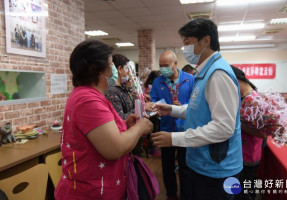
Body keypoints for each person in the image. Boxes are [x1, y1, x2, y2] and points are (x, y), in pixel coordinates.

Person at [151, 18, 243, 200]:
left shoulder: (218, 74)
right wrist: (172, 110)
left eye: (187, 43)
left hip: (217, 170)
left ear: (206, 41)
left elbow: (223, 127)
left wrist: (174, 138)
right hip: (202, 163)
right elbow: (199, 110)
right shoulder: (204, 73)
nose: (185, 49)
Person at [54, 40, 153, 200]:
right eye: (110, 64)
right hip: (88, 193)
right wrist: (140, 127)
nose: (114, 69)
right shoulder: (88, 100)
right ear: (98, 70)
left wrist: (125, 125)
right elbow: (114, 148)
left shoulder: (92, 96)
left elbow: (102, 132)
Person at [150, 50, 194, 200]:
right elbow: (155, 101)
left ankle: (186, 194)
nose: (163, 69)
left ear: (175, 64)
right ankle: (171, 194)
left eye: (166, 65)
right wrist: (159, 108)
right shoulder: (158, 81)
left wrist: (181, 107)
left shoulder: (190, 79)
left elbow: (196, 105)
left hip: (185, 130)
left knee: (185, 166)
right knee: (167, 166)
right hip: (166, 130)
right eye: (161, 66)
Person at [231, 66, 263, 200]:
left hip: (248, 156)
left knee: (240, 193)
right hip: (240, 154)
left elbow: (262, 133)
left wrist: (236, 121)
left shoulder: (254, 100)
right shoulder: (243, 97)